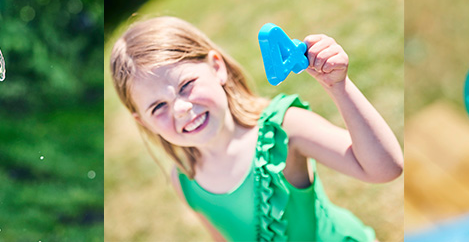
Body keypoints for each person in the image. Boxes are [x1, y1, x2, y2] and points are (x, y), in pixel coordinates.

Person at [109, 17, 403, 241]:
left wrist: (339, 87)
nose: (181, 109)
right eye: (158, 107)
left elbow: (384, 169)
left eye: (186, 86)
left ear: (216, 67)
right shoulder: (186, 180)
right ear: (142, 121)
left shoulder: (283, 128)